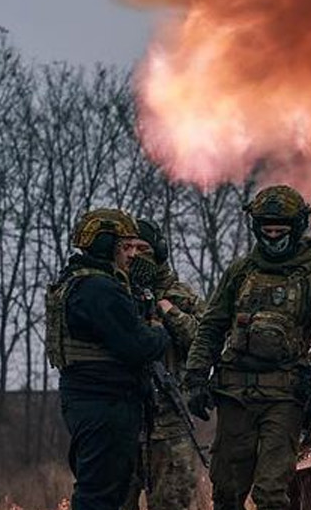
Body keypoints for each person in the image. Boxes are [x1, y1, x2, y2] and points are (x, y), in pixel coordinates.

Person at [183, 185, 311, 510]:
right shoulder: (240, 273)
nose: (274, 237)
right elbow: (211, 327)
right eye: (268, 230)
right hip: (235, 396)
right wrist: (194, 378)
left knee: (271, 493)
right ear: (257, 229)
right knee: (227, 493)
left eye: (281, 230)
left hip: (285, 399)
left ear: (296, 227)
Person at [46, 207, 171, 510]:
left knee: (105, 491)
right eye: (125, 247)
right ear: (105, 246)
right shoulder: (99, 288)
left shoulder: (77, 281)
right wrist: (159, 330)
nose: (132, 255)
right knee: (101, 495)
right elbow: (137, 345)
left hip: (92, 400)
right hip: (105, 403)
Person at [123, 218, 203, 510]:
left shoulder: (180, 296)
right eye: (128, 248)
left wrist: (169, 314)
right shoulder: (113, 295)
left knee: (174, 502)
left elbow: (204, 340)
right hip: (123, 420)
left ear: (158, 252)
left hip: (169, 422)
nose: (136, 255)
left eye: (143, 248)